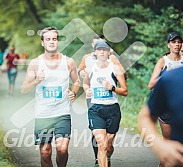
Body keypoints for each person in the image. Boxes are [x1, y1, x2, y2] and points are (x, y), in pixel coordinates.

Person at [138, 6, 183, 167]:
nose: (176, 45)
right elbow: (145, 117)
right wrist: (159, 146)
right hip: (169, 114)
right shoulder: (172, 78)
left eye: (178, 42)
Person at [21, 26, 80, 167]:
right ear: (43, 42)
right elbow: (24, 89)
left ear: (57, 41)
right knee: (45, 152)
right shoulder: (36, 63)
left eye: (54, 39)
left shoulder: (68, 62)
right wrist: (36, 80)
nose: (51, 42)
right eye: (48, 39)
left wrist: (74, 92)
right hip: (43, 115)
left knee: (62, 149)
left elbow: (77, 80)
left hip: (62, 113)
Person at [78, 35, 125, 166]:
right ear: (94, 48)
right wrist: (83, 76)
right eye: (96, 45)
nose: (100, 49)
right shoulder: (87, 58)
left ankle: (105, 155)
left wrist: (114, 82)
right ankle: (98, 158)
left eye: (103, 46)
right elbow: (80, 70)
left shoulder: (113, 59)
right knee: (100, 138)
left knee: (107, 144)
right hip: (93, 100)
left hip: (111, 103)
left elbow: (122, 73)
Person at [147, 32, 183, 142]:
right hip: (166, 107)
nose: (177, 44)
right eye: (174, 42)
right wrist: (165, 76)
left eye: (179, 42)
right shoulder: (163, 61)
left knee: (182, 142)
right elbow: (150, 85)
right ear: (168, 45)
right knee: (168, 142)